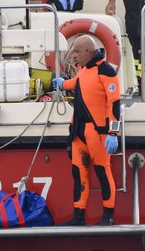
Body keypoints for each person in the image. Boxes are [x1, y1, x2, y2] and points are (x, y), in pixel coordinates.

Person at [52, 35, 121, 226]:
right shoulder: (84, 70)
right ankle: (78, 215)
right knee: (78, 173)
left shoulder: (106, 71)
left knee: (102, 171)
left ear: (88, 52)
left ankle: (108, 216)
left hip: (98, 133)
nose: (74, 56)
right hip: (79, 132)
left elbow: (114, 105)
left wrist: (113, 133)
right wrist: (61, 84)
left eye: (76, 52)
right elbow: (76, 83)